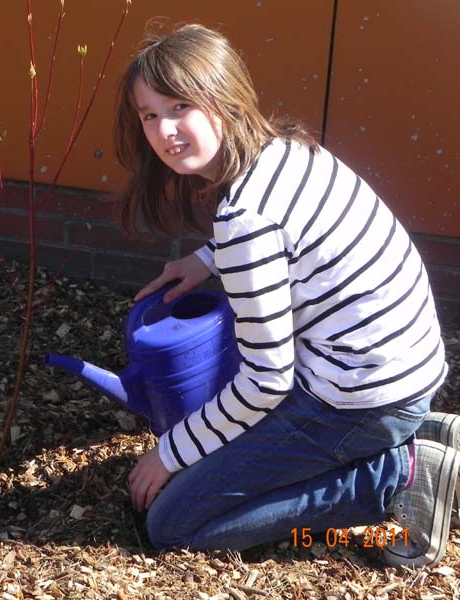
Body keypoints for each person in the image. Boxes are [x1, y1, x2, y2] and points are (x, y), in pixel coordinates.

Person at [113, 22, 456, 567]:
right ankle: (427, 428)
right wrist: (207, 260)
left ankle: (396, 475)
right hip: (404, 371)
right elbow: (295, 238)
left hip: (357, 401)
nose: (164, 131)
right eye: (150, 115)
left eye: (180, 106)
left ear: (222, 99)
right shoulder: (285, 149)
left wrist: (169, 451)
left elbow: (265, 381)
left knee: (173, 525)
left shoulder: (247, 221)